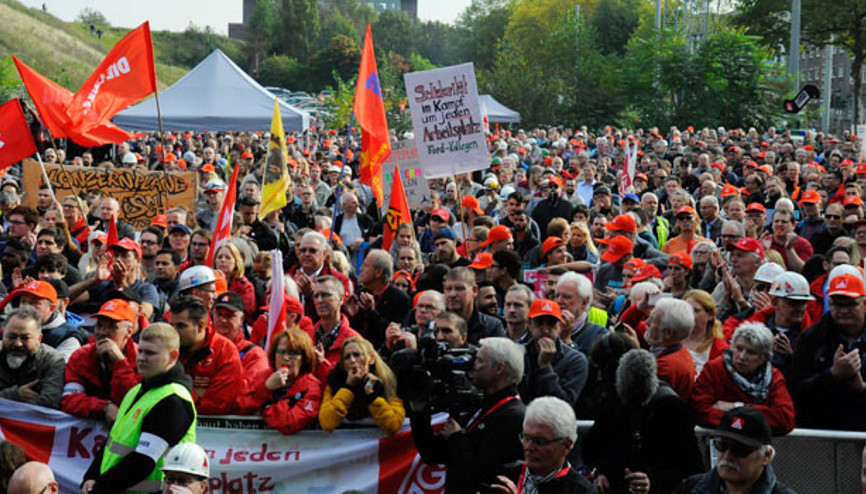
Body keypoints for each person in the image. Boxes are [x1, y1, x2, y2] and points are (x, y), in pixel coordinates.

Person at [80, 323, 196, 494]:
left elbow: (143, 462)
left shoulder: (173, 400)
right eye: (140, 351)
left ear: (173, 357)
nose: (141, 358)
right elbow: (111, 441)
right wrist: (91, 476)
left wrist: (99, 489)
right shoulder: (137, 390)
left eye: (150, 353)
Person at [409, 337, 526, 494]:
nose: (473, 366)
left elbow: (481, 476)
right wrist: (419, 413)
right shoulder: (479, 405)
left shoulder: (514, 417)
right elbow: (432, 455)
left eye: (479, 361)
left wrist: (456, 438)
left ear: (499, 368)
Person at [582, 349, 704, 494]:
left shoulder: (671, 409)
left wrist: (653, 482)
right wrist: (600, 473)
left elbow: (692, 469)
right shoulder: (614, 403)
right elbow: (592, 447)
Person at [692, 321, 796, 435]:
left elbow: (785, 420)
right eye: (739, 348)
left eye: (750, 352)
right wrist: (743, 423)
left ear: (764, 358)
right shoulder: (714, 369)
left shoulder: (774, 378)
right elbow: (700, 410)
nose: (741, 357)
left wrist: (737, 407)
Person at [791, 273, 866, 430]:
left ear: (864, 304)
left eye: (850, 304)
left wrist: (862, 388)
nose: (843, 310)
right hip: (823, 431)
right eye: (837, 304)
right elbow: (795, 390)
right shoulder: (811, 338)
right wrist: (832, 375)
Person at [675, 406, 794, 493]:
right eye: (722, 445)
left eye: (740, 450)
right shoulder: (689, 488)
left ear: (766, 456)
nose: (728, 456)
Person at [492, 396, 595, 493]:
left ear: (567, 445)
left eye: (539, 442)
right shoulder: (504, 476)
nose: (528, 447)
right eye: (526, 438)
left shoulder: (581, 490)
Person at [61, 299, 141, 421]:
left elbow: (134, 404)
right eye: (99, 325)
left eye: (112, 327)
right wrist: (104, 407)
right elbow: (69, 400)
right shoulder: (81, 356)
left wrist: (120, 364)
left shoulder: (141, 359)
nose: (103, 332)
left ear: (129, 331)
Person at [171, 295, 244, 416]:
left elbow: (219, 404)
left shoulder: (225, 350)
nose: (173, 331)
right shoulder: (166, 345)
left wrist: (178, 396)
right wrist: (196, 395)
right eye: (171, 325)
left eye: (181, 326)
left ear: (200, 326)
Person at [319, 337, 405, 435]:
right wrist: (348, 388)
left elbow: (393, 425)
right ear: (343, 365)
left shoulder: (388, 380)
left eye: (357, 355)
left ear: (371, 359)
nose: (352, 360)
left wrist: (371, 395)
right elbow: (327, 423)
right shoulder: (334, 383)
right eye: (347, 357)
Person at [520, 299, 588, 407]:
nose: (545, 330)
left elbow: (564, 405)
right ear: (529, 324)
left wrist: (545, 367)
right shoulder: (519, 354)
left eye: (551, 323)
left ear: (559, 326)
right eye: (539, 322)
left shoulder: (575, 360)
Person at [211, 291, 268, 413]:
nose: (223, 320)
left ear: (241, 319)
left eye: (229, 316)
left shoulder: (254, 355)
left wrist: (207, 392)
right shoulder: (201, 348)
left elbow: (249, 397)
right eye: (219, 314)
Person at [0, 306, 64, 408]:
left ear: (39, 338)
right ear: (3, 335)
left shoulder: (52, 360)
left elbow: (50, 401)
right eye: (12, 337)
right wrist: (15, 394)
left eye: (25, 338)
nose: (18, 344)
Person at [349, 249, 411, 348]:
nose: (360, 269)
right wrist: (350, 313)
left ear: (378, 272)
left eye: (365, 266)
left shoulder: (400, 299)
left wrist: (372, 312)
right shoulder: (359, 294)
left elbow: (393, 333)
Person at [645, 298, 697, 400]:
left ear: (668, 333)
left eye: (652, 319)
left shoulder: (666, 367)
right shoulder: (678, 352)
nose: (646, 322)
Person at [444, 268, 507, 344]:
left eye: (459, 289)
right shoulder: (436, 325)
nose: (452, 294)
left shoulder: (492, 326)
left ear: (474, 290)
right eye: (448, 289)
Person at [682, 290, 728, 375]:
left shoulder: (719, 349)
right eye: (685, 309)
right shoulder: (671, 339)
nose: (689, 314)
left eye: (695, 310)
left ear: (710, 315)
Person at [213, 243, 256, 325]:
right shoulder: (208, 281)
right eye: (219, 257)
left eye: (228, 257)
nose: (222, 260)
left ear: (236, 262)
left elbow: (246, 313)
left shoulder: (245, 286)